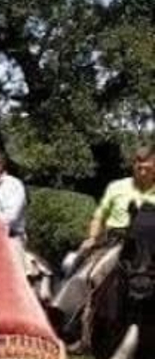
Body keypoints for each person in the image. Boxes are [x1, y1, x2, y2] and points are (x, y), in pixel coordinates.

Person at [54, 142, 155, 341]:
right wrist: (92, 238)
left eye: (147, 167)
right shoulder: (117, 187)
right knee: (84, 276)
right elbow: (99, 216)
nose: (142, 171)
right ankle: (70, 326)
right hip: (116, 242)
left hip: (151, 245)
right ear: (133, 165)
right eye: (138, 166)